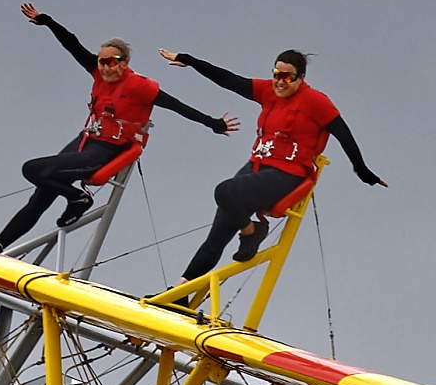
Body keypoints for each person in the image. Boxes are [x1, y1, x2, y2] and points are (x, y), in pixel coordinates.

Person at [0, 5, 240, 253]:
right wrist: (47, 21)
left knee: (32, 169)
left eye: (112, 62)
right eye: (102, 61)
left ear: (124, 62)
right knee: (40, 196)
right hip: (85, 141)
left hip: (107, 150)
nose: (106, 67)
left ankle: (78, 198)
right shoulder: (97, 72)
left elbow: (177, 106)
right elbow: (71, 43)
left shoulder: (139, 86)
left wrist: (213, 124)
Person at [156, 46, 385, 281]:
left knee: (224, 191)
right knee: (217, 236)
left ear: (301, 77)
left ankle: (252, 231)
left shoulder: (315, 101)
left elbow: (343, 133)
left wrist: (361, 170)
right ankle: (180, 292)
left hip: (288, 173)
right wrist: (190, 61)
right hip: (257, 167)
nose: (280, 82)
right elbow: (228, 80)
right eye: (277, 74)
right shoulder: (268, 90)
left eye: (288, 77)